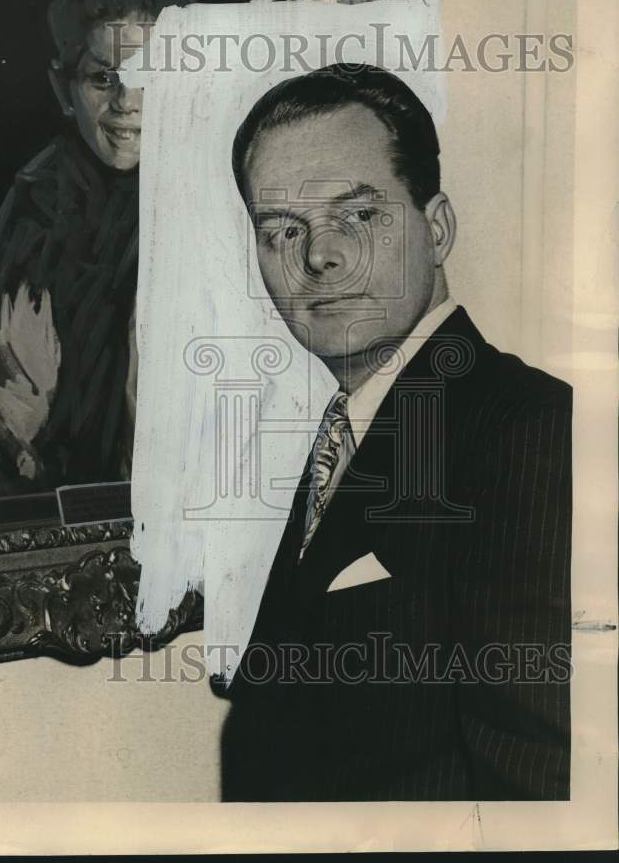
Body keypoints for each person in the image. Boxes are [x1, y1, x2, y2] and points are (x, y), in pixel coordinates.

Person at [216, 63, 572, 801]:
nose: (319, 254)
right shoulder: (349, 422)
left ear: (435, 228)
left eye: (358, 215)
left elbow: (533, 780)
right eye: (282, 228)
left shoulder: (527, 430)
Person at [0, 0, 195, 496]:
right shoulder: (40, 201)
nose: (127, 103)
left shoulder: (213, 194)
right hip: (58, 506)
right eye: (103, 78)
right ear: (65, 90)